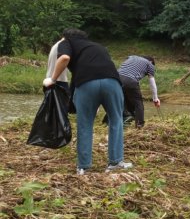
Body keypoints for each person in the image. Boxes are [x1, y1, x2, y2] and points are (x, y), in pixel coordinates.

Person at [43, 29, 131, 175]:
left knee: (85, 124)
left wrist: (52, 79)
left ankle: (84, 166)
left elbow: (64, 58)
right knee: (116, 120)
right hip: (112, 82)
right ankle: (115, 162)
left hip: (86, 84)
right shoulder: (97, 46)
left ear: (64, 37)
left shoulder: (66, 42)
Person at [118, 55, 161, 128]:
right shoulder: (150, 64)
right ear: (151, 62)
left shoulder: (132, 57)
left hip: (116, 78)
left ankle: (122, 121)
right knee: (138, 103)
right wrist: (155, 99)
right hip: (130, 80)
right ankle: (139, 125)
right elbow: (152, 83)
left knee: (123, 100)